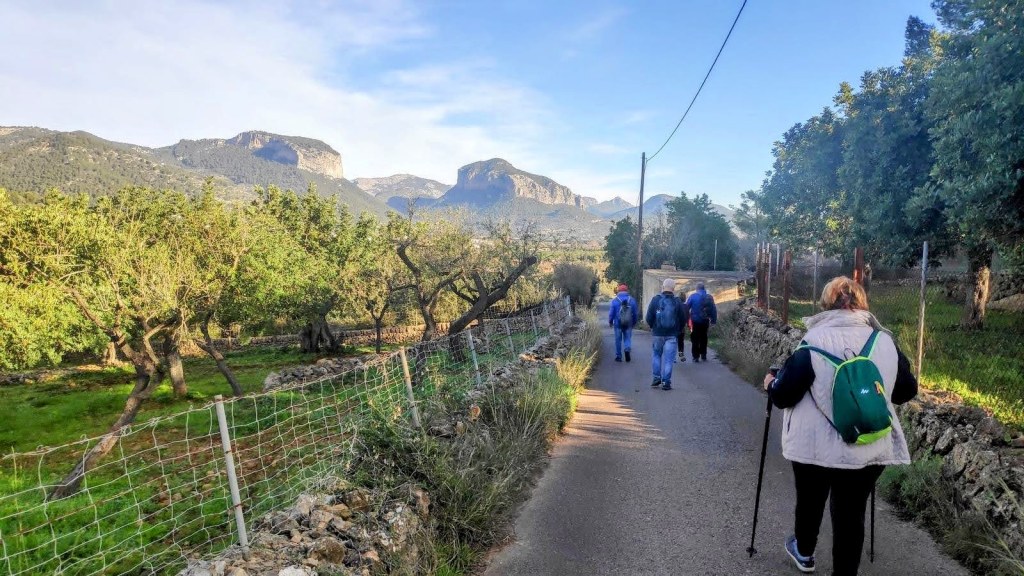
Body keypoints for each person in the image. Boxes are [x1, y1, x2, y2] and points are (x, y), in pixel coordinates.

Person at [763, 276, 918, 576]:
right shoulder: (884, 341)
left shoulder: (812, 342)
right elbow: (905, 391)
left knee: (810, 501)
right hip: (867, 443)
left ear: (825, 303)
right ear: (862, 303)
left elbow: (784, 395)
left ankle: (804, 553)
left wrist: (770, 383)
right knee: (851, 513)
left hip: (814, 447)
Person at [645, 278, 689, 390]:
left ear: (663, 287)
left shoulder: (655, 300)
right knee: (669, 359)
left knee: (656, 355)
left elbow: (649, 317)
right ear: (673, 289)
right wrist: (678, 330)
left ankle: (656, 378)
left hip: (657, 333)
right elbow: (683, 318)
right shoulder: (677, 301)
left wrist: (652, 327)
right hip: (672, 334)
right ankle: (666, 382)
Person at [684, 282, 717, 362]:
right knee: (704, 337)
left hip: (695, 321)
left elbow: (686, 307)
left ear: (697, 289)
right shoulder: (709, 297)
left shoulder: (693, 296)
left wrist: (686, 319)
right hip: (705, 321)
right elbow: (713, 310)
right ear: (704, 289)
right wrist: (713, 321)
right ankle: (703, 355)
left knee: (695, 338)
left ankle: (695, 356)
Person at [608, 283, 638, 362]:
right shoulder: (632, 300)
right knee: (627, 338)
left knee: (618, 340)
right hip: (628, 323)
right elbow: (635, 313)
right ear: (627, 290)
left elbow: (611, 313)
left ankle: (618, 356)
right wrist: (634, 322)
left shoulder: (615, 300)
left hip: (618, 324)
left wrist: (610, 321)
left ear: (618, 291)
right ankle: (627, 349)